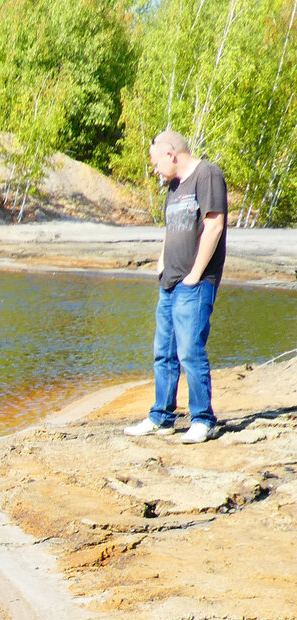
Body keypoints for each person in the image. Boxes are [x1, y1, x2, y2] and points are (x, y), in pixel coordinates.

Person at [124, 130, 228, 444]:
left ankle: (202, 420)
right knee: (163, 353)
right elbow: (173, 227)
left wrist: (195, 274)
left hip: (194, 283)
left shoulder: (207, 175)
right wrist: (160, 261)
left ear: (172, 153)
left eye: (157, 163)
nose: (155, 170)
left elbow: (214, 225)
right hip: (169, 281)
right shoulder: (173, 186)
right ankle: (161, 418)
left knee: (190, 352)